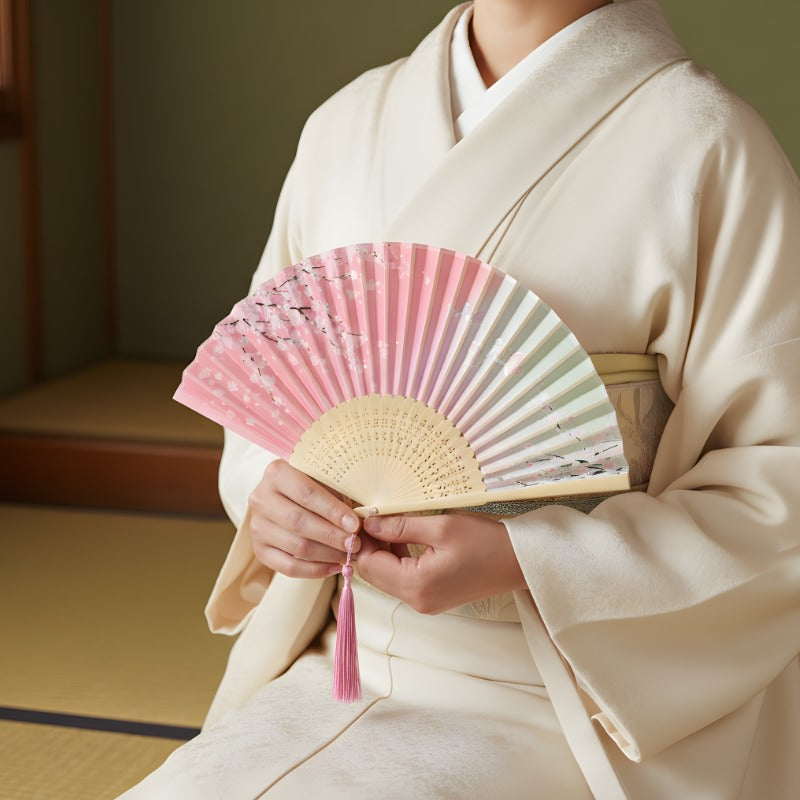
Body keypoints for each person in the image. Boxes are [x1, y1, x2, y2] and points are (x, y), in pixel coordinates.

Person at [120, 0, 800, 797]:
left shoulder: (709, 143)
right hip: (338, 654)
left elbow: (779, 486)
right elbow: (269, 389)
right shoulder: (346, 124)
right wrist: (272, 499)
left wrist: (532, 558)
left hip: (570, 695)